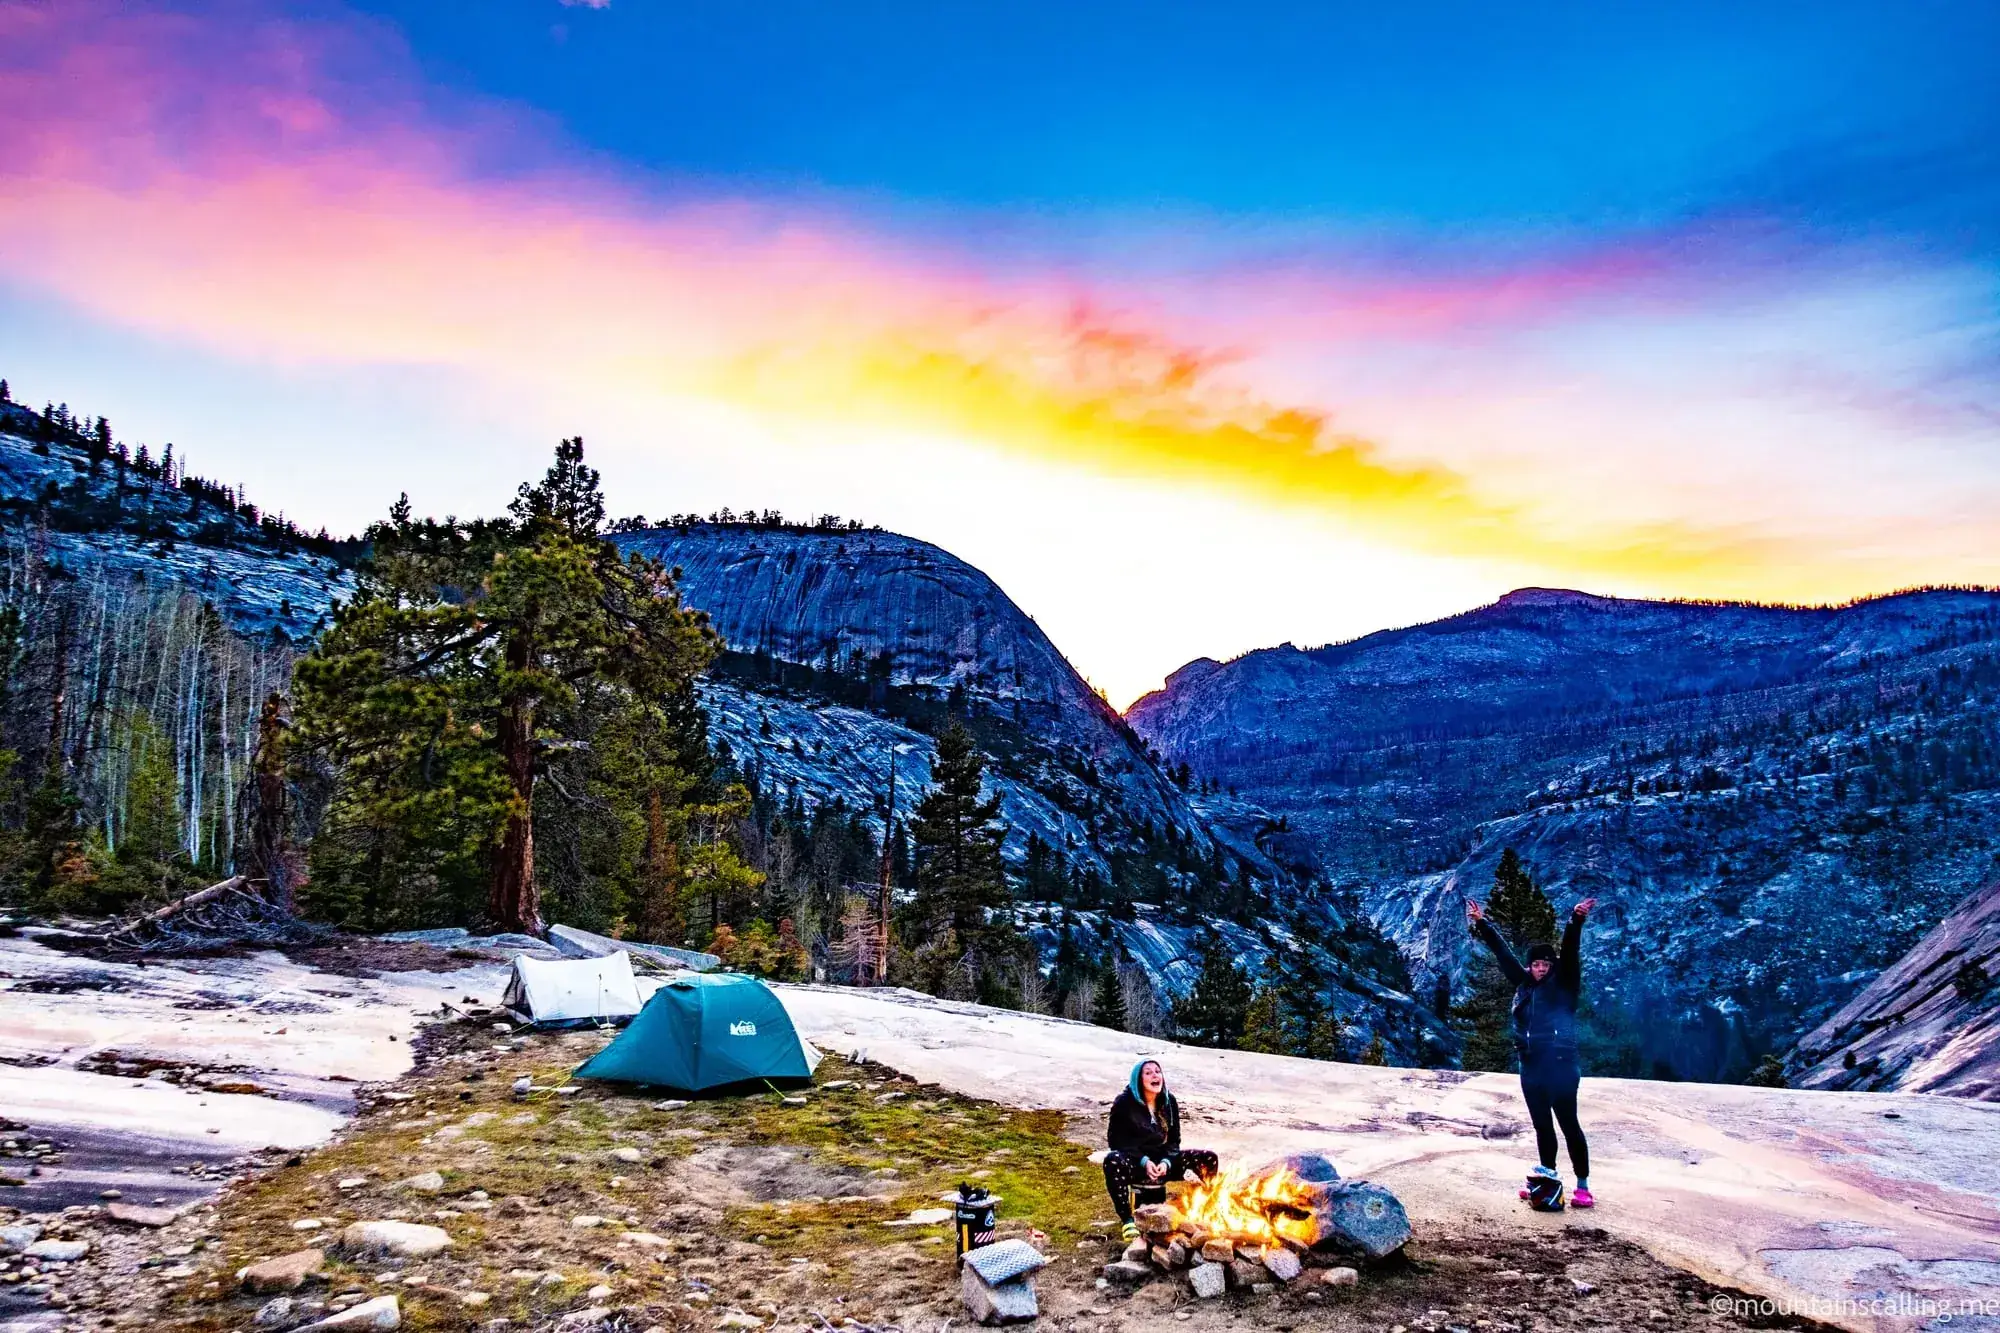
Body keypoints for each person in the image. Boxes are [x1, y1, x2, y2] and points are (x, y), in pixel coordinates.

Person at [1466, 894, 1599, 1209]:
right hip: (1531, 1067)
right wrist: (1483, 923)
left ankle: (1583, 1186)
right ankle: (1548, 1180)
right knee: (1542, 1126)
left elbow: (1570, 952)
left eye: (1545, 965)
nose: (1540, 969)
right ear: (1530, 966)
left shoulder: (1565, 984)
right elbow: (1502, 954)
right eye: (1536, 964)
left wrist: (1575, 921)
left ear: (1552, 967)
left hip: (1562, 1067)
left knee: (1569, 1125)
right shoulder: (1523, 984)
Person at [1103, 1059, 1219, 1242]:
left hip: (1164, 1161)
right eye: (1148, 1073)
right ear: (1138, 1080)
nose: (1155, 1075)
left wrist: (1166, 1161)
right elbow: (1116, 1141)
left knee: (1208, 1158)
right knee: (1113, 1160)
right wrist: (1144, 1161)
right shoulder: (1124, 1103)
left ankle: (1209, 1208)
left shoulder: (1168, 1101)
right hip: (1136, 1161)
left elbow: (1174, 1140)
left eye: (1158, 1071)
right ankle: (1127, 1220)